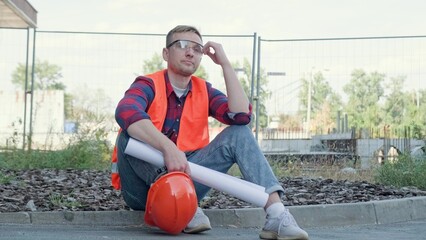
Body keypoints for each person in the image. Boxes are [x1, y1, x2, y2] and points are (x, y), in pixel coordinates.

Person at [114, 25, 309, 240]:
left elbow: (241, 116)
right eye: (182, 45)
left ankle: (276, 215)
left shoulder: (203, 90)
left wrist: (225, 64)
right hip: (142, 190)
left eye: (197, 48)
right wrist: (167, 148)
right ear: (166, 53)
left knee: (239, 133)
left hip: (189, 181)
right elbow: (126, 111)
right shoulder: (148, 84)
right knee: (128, 135)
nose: (190, 52)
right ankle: (182, 205)